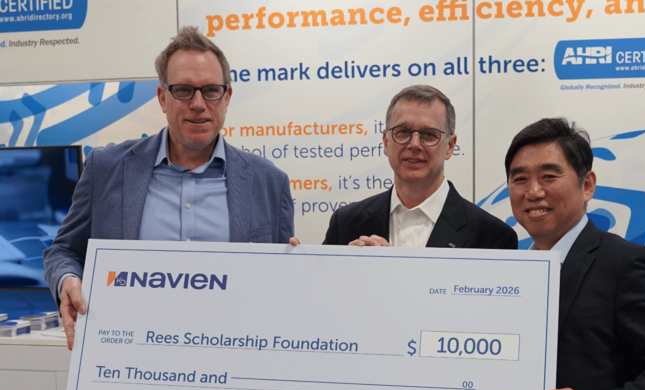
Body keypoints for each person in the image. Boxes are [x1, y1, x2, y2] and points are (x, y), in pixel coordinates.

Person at [43, 26, 294, 354]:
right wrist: (67, 279)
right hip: (129, 358)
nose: (199, 104)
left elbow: (282, 286)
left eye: (211, 91)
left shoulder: (269, 182)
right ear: (163, 98)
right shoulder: (106, 168)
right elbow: (64, 251)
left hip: (232, 359)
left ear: (227, 97)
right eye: (184, 90)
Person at [505, 117, 645, 390]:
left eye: (549, 176)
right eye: (520, 179)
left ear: (587, 184)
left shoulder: (627, 264)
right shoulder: (509, 274)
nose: (533, 191)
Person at [322, 85, 517, 249]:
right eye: (403, 132)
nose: (414, 144)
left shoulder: (493, 237)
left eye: (429, 134)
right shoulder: (345, 223)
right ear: (386, 142)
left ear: (450, 146)